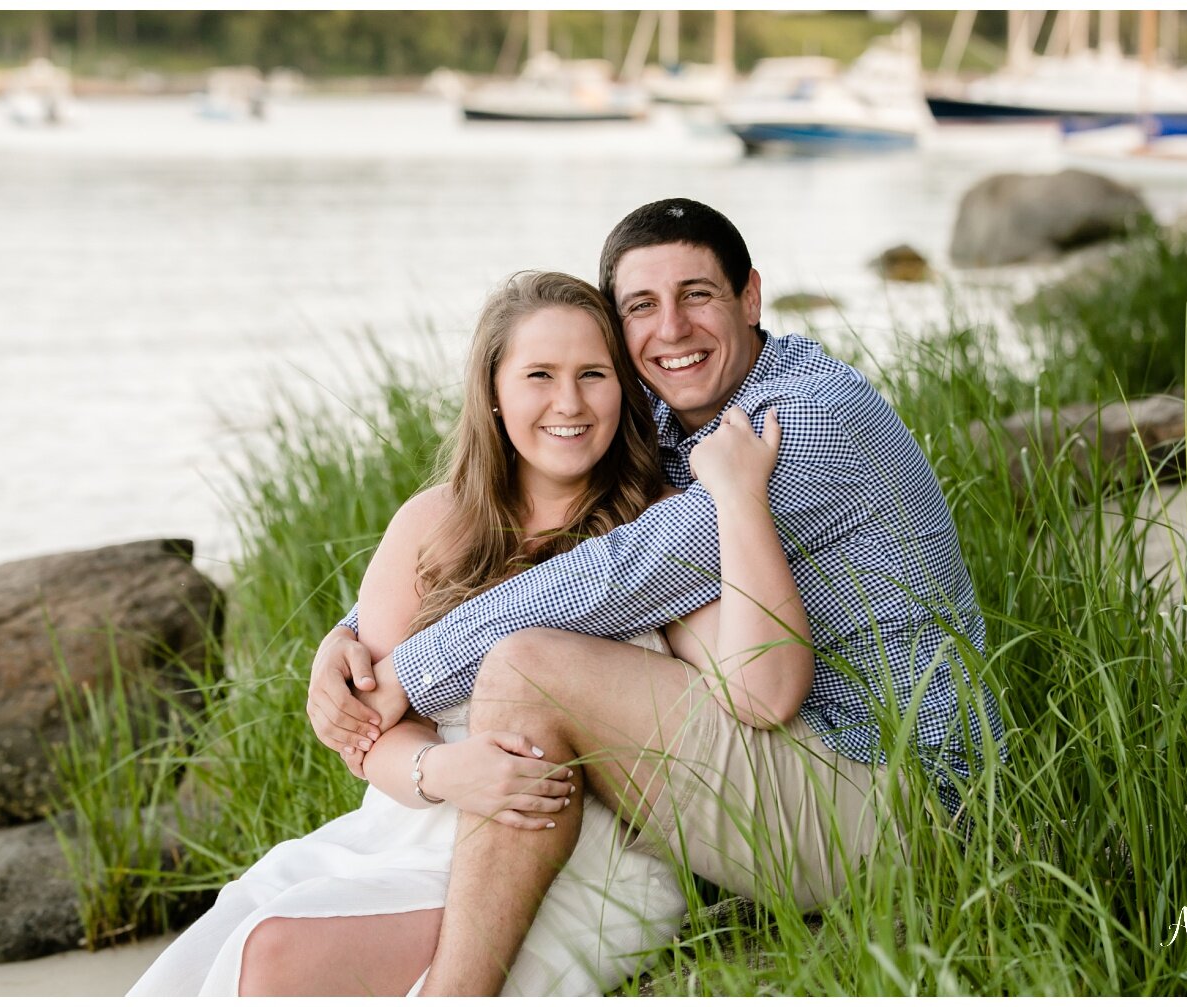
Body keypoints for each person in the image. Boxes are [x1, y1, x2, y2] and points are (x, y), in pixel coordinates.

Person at [308, 198, 1009, 995]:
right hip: (807, 759)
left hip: (906, 805)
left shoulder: (802, 422)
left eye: (698, 294)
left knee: (526, 667)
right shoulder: (682, 418)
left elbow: (623, 570)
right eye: (641, 306)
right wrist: (352, 633)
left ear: (750, 297)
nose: (671, 328)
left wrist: (402, 671)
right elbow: (569, 534)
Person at [128, 268, 808, 996]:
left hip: (574, 853)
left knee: (276, 956)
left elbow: (753, 681)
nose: (569, 403)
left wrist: (739, 500)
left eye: (594, 374)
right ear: (492, 390)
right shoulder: (434, 523)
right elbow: (369, 734)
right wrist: (443, 772)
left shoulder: (658, 524)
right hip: (406, 825)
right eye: (539, 375)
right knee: (230, 941)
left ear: (626, 388)